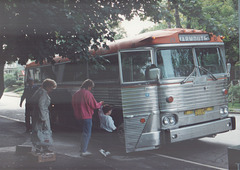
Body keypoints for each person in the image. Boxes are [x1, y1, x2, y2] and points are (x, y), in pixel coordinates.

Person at [72, 79, 104, 156]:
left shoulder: (76, 94)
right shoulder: (88, 94)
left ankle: (82, 149)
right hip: (86, 117)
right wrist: (100, 103)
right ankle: (83, 151)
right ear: (88, 86)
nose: (91, 89)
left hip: (79, 117)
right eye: (91, 87)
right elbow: (94, 105)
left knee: (84, 133)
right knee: (87, 133)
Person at [30, 78, 57, 153]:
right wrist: (43, 117)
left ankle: (38, 148)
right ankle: (44, 147)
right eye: (51, 88)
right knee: (45, 132)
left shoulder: (38, 91)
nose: (51, 90)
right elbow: (41, 105)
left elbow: (32, 100)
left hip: (36, 114)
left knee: (38, 132)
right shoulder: (43, 93)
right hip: (42, 115)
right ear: (48, 86)